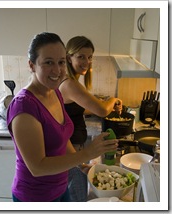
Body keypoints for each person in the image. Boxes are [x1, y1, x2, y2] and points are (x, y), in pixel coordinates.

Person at [6, 32, 118, 202]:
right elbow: (37, 167)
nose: (57, 70)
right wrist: (87, 153)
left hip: (60, 188)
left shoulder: (54, 93)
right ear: (32, 65)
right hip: (35, 197)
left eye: (61, 62)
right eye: (48, 62)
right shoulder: (24, 107)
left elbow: (63, 137)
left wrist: (81, 166)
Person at [59, 36, 122, 202]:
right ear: (68, 57)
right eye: (81, 56)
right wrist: (113, 100)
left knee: (75, 196)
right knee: (77, 200)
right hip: (70, 151)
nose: (87, 61)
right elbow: (102, 110)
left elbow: (74, 109)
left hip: (72, 151)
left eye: (89, 57)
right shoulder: (70, 84)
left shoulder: (70, 81)